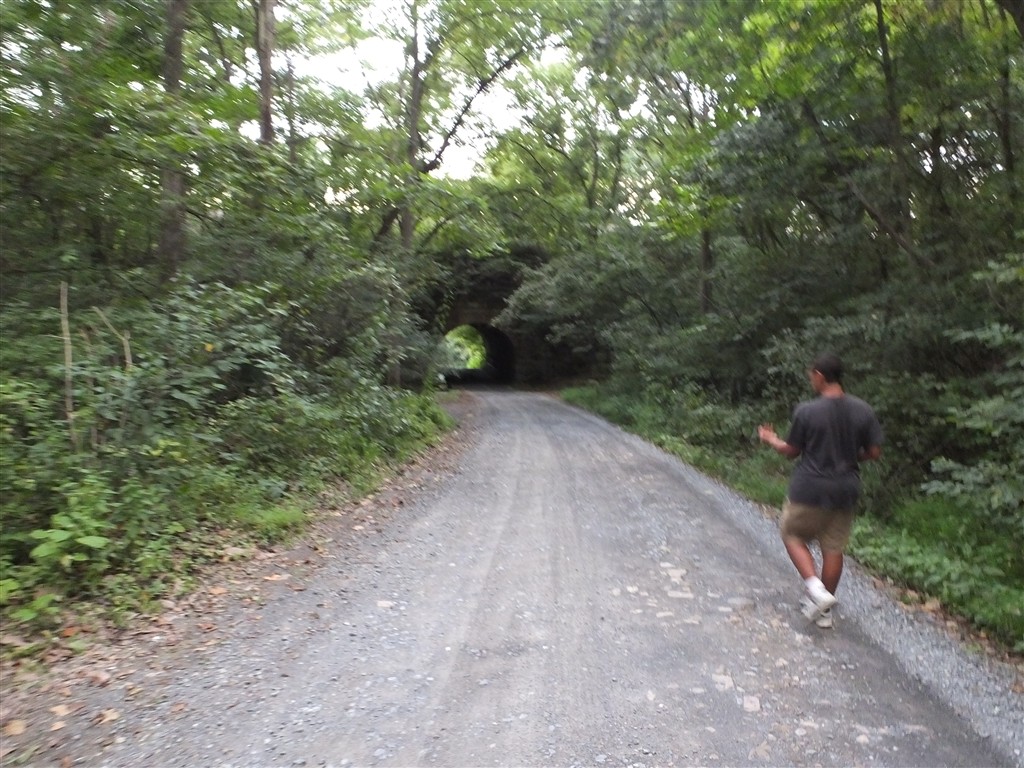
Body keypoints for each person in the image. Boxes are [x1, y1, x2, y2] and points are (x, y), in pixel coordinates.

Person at [758, 353, 883, 629]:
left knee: (791, 534)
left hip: (810, 487)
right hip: (846, 488)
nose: (811, 381)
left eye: (811, 376)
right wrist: (850, 456)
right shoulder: (863, 410)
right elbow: (874, 452)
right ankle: (824, 613)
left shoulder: (807, 411)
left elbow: (792, 451)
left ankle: (816, 589)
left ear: (820, 375)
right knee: (833, 547)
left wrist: (771, 439)